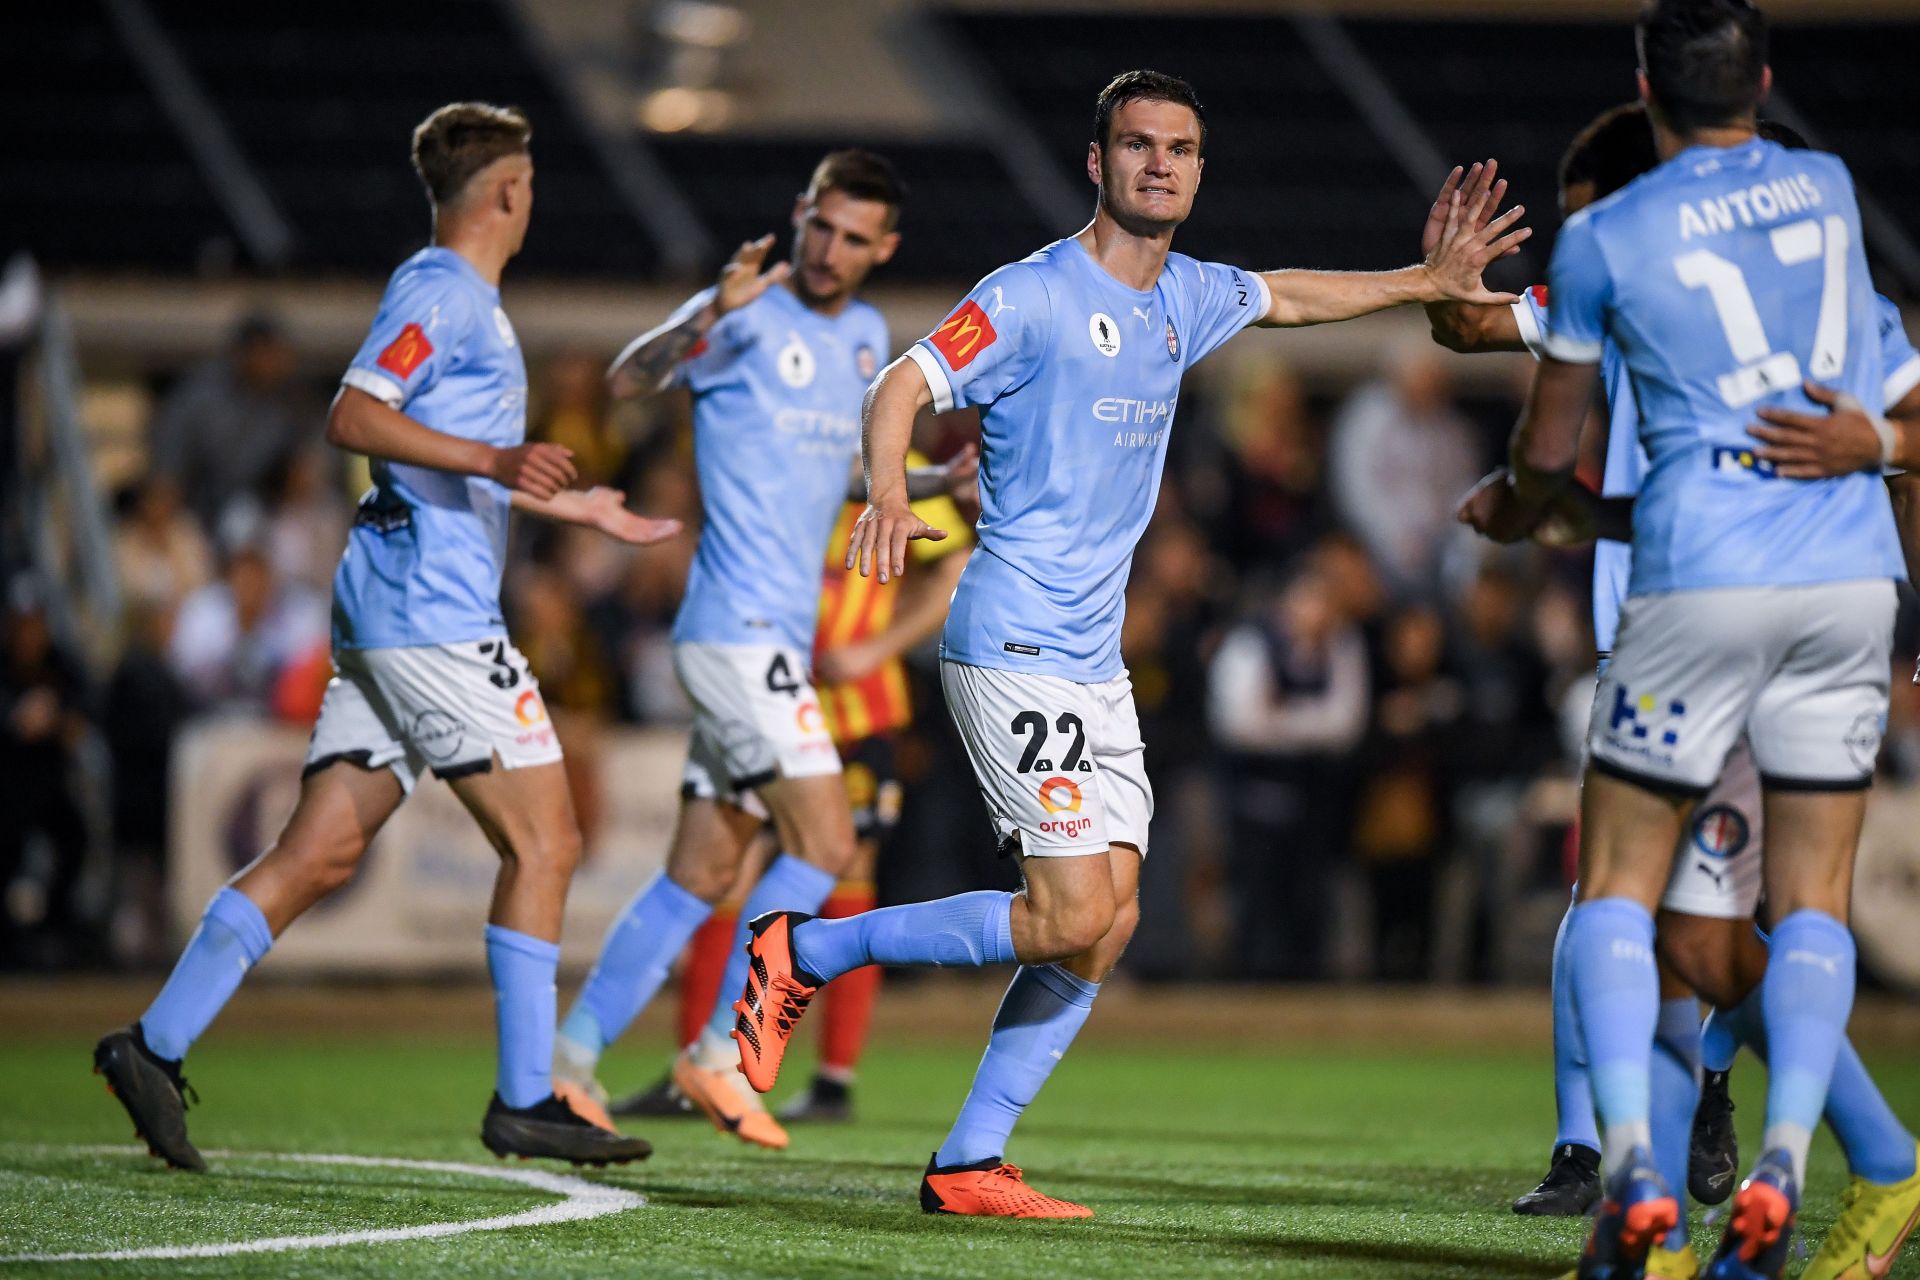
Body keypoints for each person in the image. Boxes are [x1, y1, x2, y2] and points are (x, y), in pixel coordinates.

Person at [727, 68, 1527, 1218]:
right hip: (1011, 640)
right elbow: (905, 379)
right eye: (1139, 144)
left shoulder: (1184, 296)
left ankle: (968, 1160)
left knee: (1109, 923)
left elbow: (1290, 297)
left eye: (1182, 148)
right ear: (1098, 163)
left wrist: (1423, 281)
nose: (1161, 163)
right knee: (1064, 913)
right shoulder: (1034, 294)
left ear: (1200, 170)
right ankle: (804, 949)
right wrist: (891, 491)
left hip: (1092, 664)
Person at [92, 101, 676, 1172]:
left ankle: (151, 1043)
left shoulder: (468, 306)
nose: (532, 197)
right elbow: (356, 416)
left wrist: (569, 506)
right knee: (545, 842)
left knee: (320, 850)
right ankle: (523, 1095)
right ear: (508, 192)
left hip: (398, 614)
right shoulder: (442, 292)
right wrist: (499, 464)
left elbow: (431, 462)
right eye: (530, 182)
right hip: (433, 624)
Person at [1437, 104, 1920, 1280]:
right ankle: (1763, 1166)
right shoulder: (1812, 272)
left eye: (1590, 221)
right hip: (1784, 620)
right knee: (1691, 935)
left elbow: (1512, 390)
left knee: (1662, 922)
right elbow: (1476, 325)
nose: (1585, 251)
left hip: (1705, 632)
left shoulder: (1639, 258)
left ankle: (1837, 1157)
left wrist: (1523, 498)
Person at [552, 151, 973, 1147]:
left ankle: (567, 1065)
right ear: (799, 215)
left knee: (699, 873)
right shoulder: (745, 310)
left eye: (854, 237)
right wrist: (706, 308)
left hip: (769, 640)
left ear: (885, 248)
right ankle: (718, 1055)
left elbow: (833, 474)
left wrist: (937, 481)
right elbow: (625, 380)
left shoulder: (871, 339)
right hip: (735, 630)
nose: (829, 250)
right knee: (827, 844)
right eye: (820, 226)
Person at [613, 455, 975, 1132]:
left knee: (845, 878)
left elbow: (955, 569)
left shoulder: (906, 469)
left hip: (860, 714)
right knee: (725, 873)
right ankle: (697, 1066)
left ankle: (834, 1079)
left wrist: (878, 648)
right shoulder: (780, 447)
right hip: (763, 703)